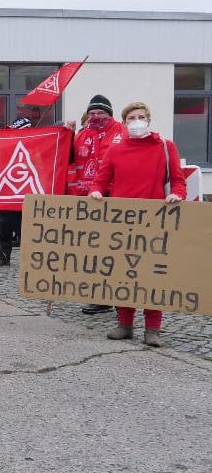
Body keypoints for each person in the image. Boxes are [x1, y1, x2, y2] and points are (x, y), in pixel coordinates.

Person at [90, 102, 185, 347]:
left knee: (153, 275)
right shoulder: (115, 150)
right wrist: (97, 193)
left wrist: (177, 195)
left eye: (141, 116)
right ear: (125, 123)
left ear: (149, 120)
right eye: (132, 117)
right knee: (124, 273)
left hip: (155, 222)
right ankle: (125, 324)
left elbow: (178, 180)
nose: (137, 120)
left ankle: (153, 328)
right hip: (122, 224)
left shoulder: (165, 147)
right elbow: (101, 181)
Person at [71, 94, 124, 315]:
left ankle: (117, 296)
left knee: (113, 250)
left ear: (109, 114)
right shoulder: (82, 135)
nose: (95, 116)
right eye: (92, 113)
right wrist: (63, 133)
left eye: (100, 112)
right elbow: (67, 158)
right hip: (88, 200)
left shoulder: (122, 132)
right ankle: (100, 297)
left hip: (115, 198)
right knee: (92, 251)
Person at [0, 118, 33, 266]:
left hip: (28, 194)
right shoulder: (5, 146)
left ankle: (31, 259)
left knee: (28, 228)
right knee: (5, 227)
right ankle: (3, 256)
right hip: (8, 194)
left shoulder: (36, 146)